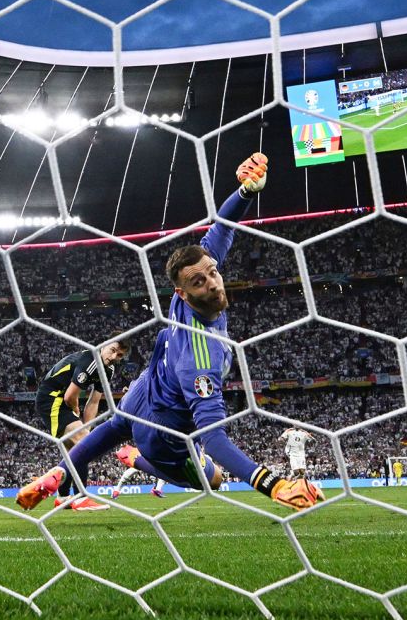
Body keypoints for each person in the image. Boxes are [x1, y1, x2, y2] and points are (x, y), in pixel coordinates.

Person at [16, 153, 315, 512]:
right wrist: (275, 485)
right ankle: (135, 459)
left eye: (212, 273)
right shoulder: (201, 356)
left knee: (114, 426)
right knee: (213, 478)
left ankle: (56, 476)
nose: (214, 284)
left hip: (141, 394)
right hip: (164, 433)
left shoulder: (190, 290)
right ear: (183, 293)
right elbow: (214, 438)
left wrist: (246, 192)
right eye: (200, 282)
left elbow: (222, 228)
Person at [34, 335, 132, 511]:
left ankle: (63, 497)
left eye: (119, 355)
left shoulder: (108, 370)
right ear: (103, 345)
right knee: (83, 445)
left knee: (76, 450)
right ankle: (81, 497)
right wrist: (77, 413)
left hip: (62, 401)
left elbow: (94, 402)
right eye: (112, 350)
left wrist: (86, 428)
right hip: (52, 399)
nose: (113, 357)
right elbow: (70, 396)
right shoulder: (91, 361)